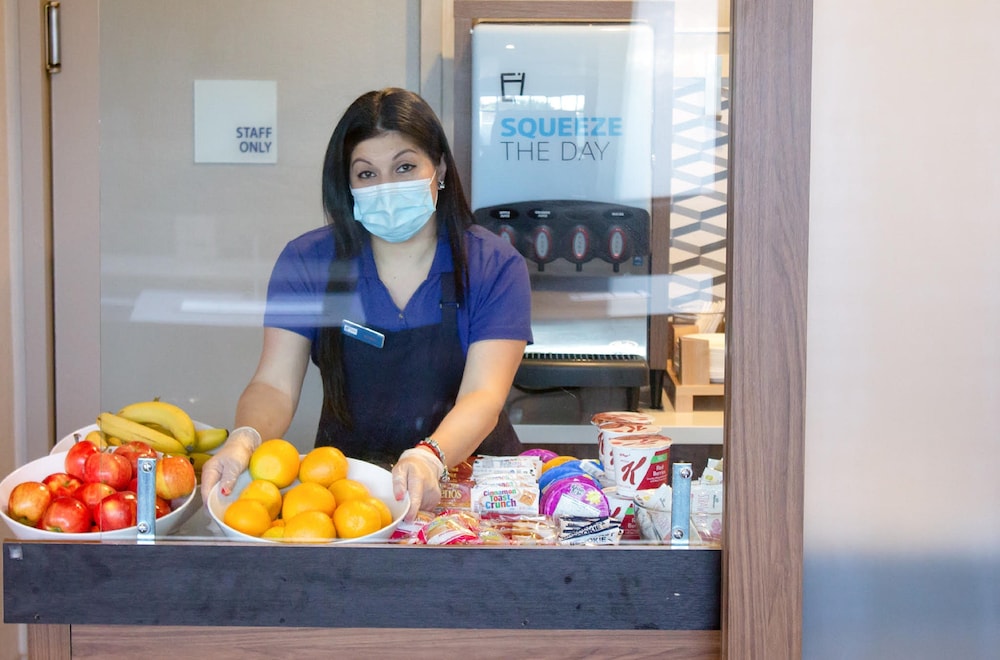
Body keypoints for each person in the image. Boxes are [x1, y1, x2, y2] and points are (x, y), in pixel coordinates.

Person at [201, 88, 532, 521]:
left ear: (440, 169)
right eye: (367, 174)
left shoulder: (493, 264)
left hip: (470, 494)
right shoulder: (309, 261)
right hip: (349, 496)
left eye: (405, 167)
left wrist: (429, 457)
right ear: (348, 184)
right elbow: (274, 384)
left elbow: (483, 395)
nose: (387, 187)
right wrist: (245, 438)